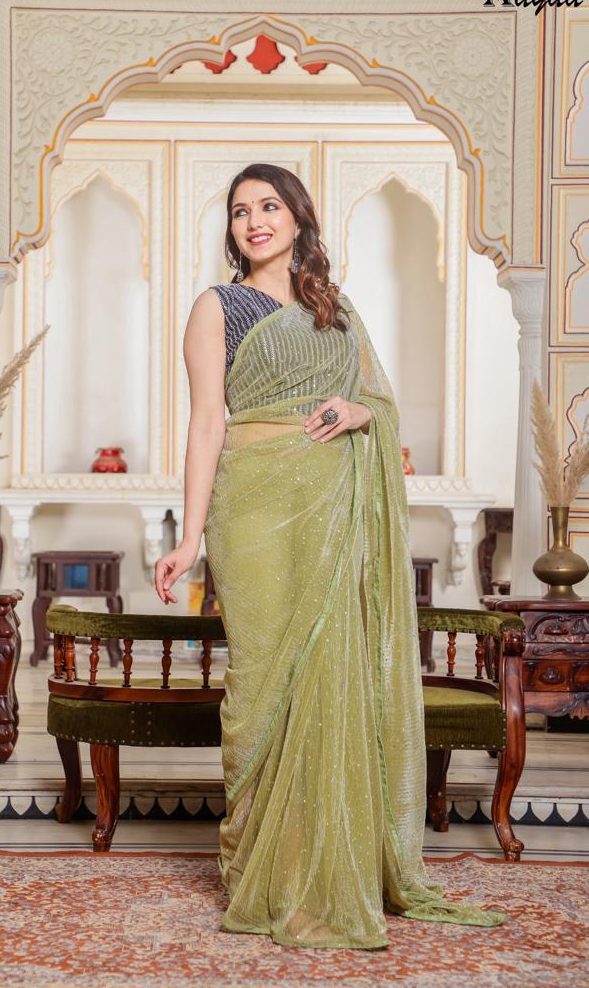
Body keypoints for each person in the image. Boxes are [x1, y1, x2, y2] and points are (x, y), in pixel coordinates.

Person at [154, 162, 504, 949]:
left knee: (331, 674)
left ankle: (325, 866)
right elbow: (207, 423)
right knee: (260, 686)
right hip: (252, 512)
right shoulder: (218, 307)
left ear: (298, 218)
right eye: (240, 211)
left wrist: (357, 412)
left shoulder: (334, 310)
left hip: (331, 510)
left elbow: (380, 404)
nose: (255, 221)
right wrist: (188, 538)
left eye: (269, 206)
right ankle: (262, 872)